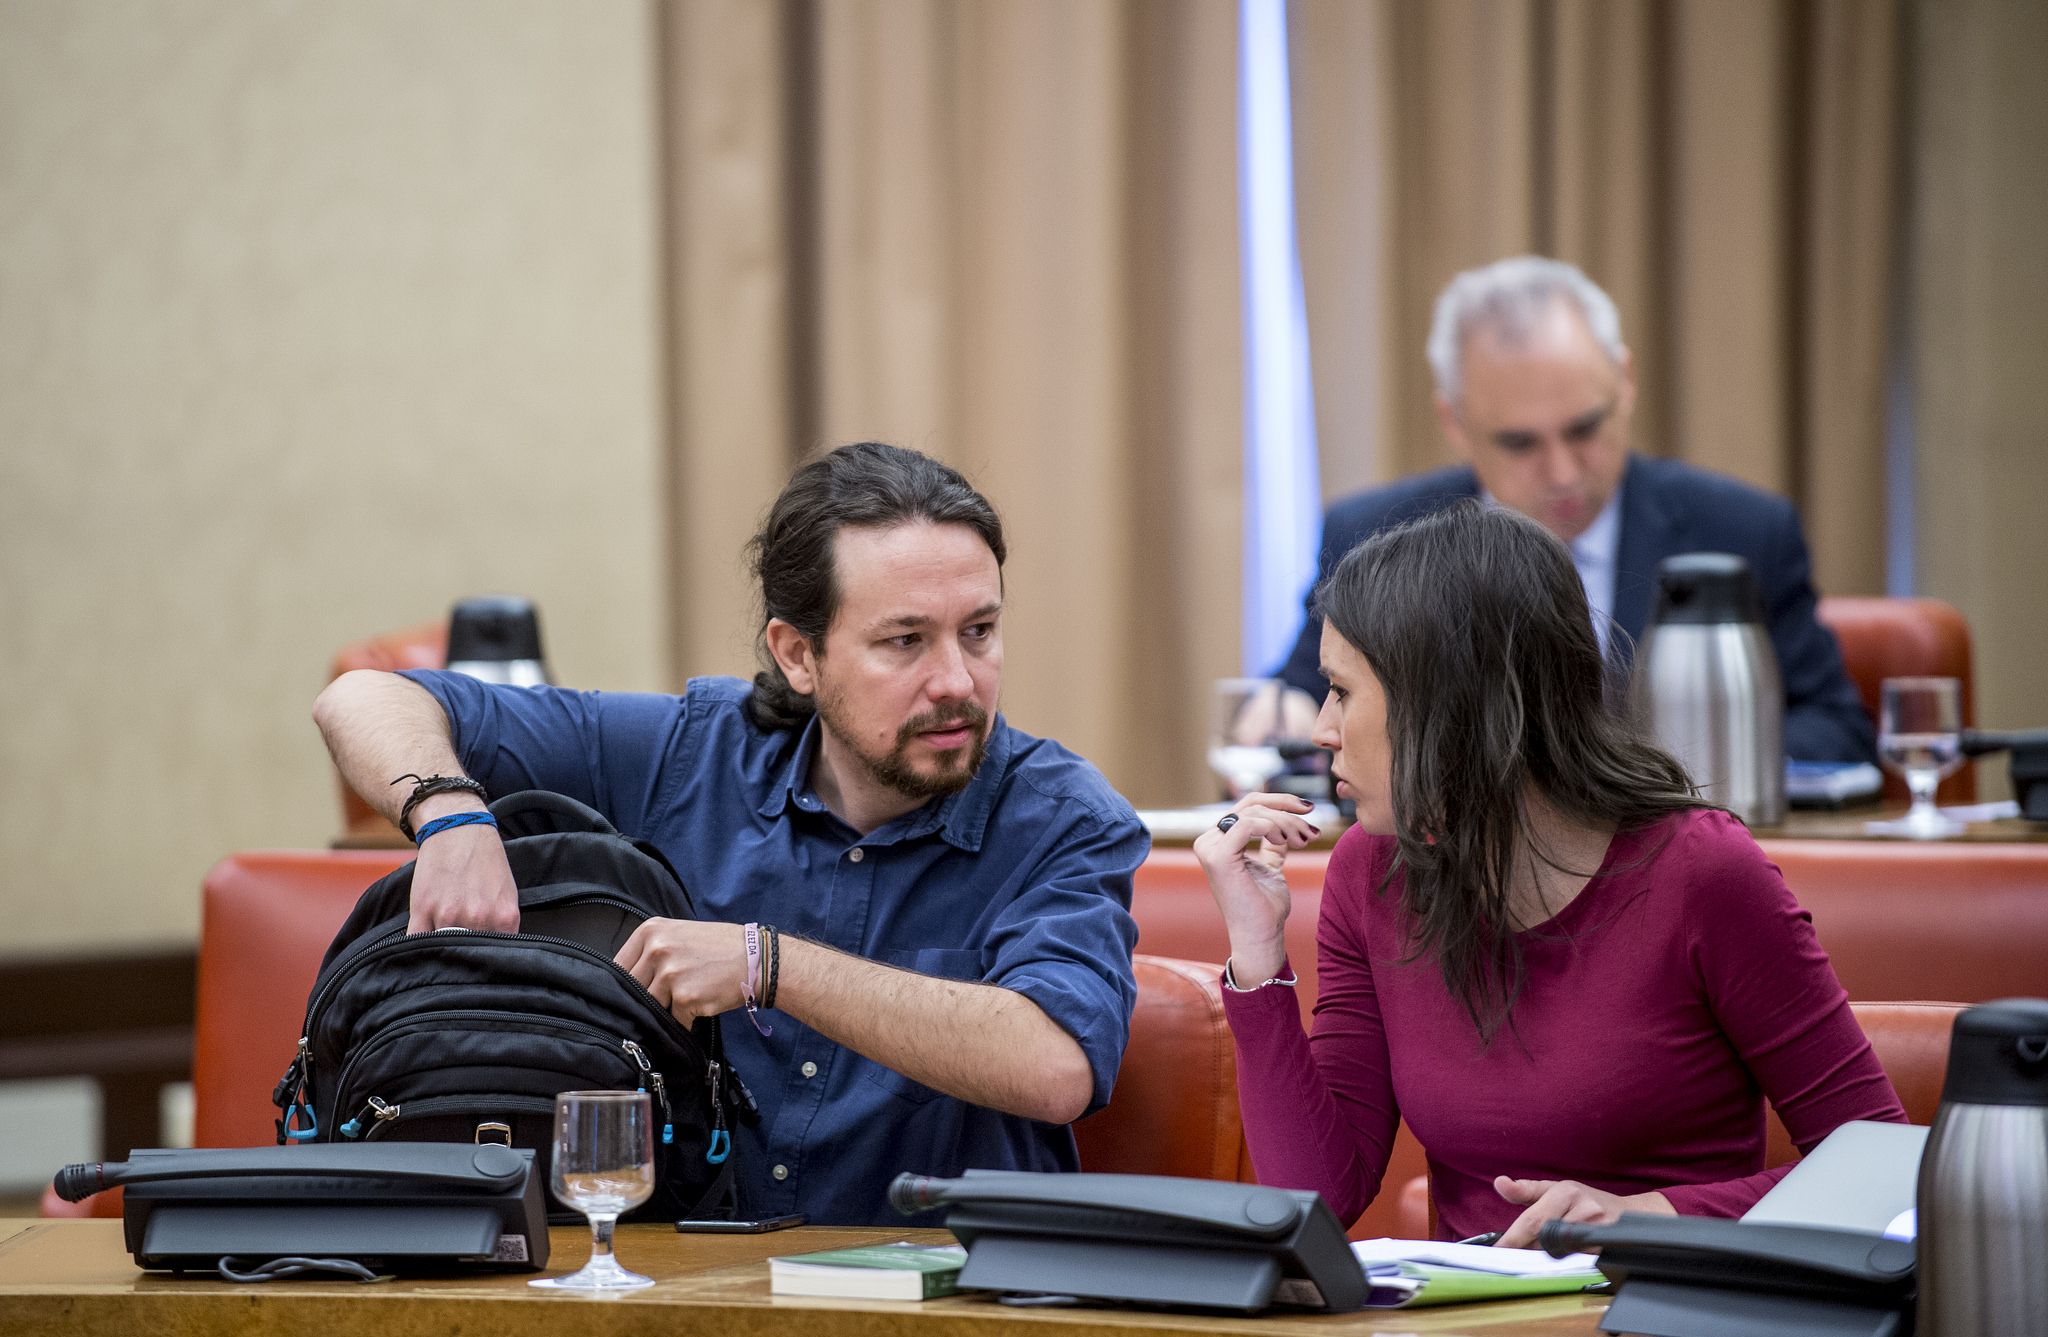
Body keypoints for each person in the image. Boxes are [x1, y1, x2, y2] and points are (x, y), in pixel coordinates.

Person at [312, 442, 1146, 1225]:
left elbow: (1054, 1065)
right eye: (906, 641)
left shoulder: (1064, 818)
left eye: (979, 631)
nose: (958, 680)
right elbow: (363, 699)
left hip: (941, 1306)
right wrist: (451, 811)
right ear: (798, 654)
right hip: (683, 1300)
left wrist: (764, 964)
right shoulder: (692, 753)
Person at [1198, 501, 1904, 1246]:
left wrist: (1653, 1214)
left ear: (1449, 698)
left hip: (1660, 1319)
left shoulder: (1703, 871)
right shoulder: (1371, 870)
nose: (1320, 730)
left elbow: (1881, 1169)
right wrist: (1256, 951)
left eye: (1342, 691)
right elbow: (1317, 1193)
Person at [1272, 256, 1875, 765]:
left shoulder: (1741, 531)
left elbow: (1835, 732)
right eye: (1520, 443)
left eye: (1584, 428)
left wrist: (1624, 772)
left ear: (1626, 382)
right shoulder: (1374, 535)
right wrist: (1283, 719)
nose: (1562, 471)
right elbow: (1296, 702)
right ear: (1454, 423)